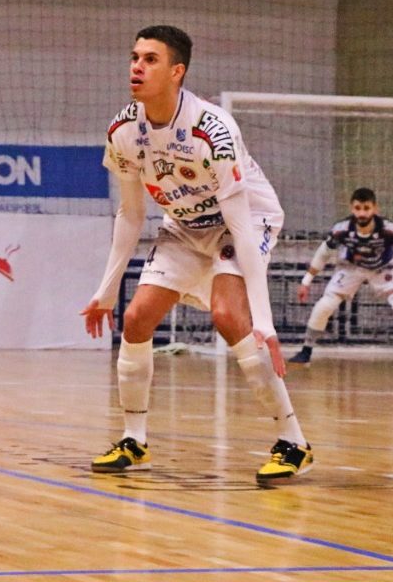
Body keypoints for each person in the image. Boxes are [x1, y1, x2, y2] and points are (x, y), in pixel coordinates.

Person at [80, 25, 312, 484]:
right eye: (134, 57)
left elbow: (243, 225)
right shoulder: (124, 130)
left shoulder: (213, 130)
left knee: (229, 316)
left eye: (150, 59)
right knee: (136, 319)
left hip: (243, 222)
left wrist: (262, 318)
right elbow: (130, 214)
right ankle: (134, 438)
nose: (137, 67)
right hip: (184, 226)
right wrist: (105, 292)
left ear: (176, 71)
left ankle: (293, 442)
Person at [289, 188, 393, 371]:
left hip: (382, 268)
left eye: (366, 208)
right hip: (351, 268)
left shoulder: (388, 229)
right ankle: (306, 351)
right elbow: (323, 252)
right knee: (324, 305)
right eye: (357, 208)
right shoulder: (342, 229)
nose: (362, 213)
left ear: (375, 209)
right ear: (351, 208)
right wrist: (306, 282)